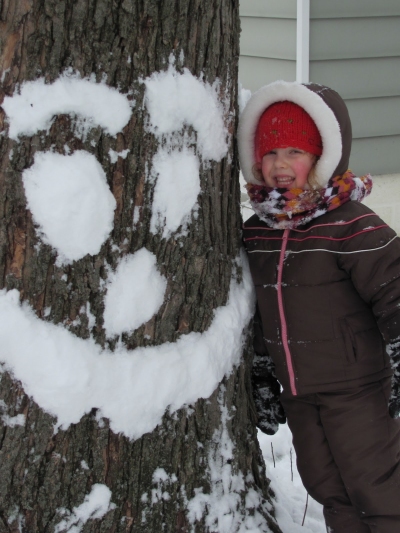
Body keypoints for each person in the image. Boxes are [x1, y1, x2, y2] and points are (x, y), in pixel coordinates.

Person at [238, 80, 400, 533]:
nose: (280, 164)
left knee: (379, 490)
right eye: (269, 153)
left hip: (359, 390)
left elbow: (395, 289)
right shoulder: (258, 232)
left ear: (323, 156)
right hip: (299, 393)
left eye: (294, 151)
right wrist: (261, 373)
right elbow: (256, 311)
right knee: (327, 488)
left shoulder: (351, 226)